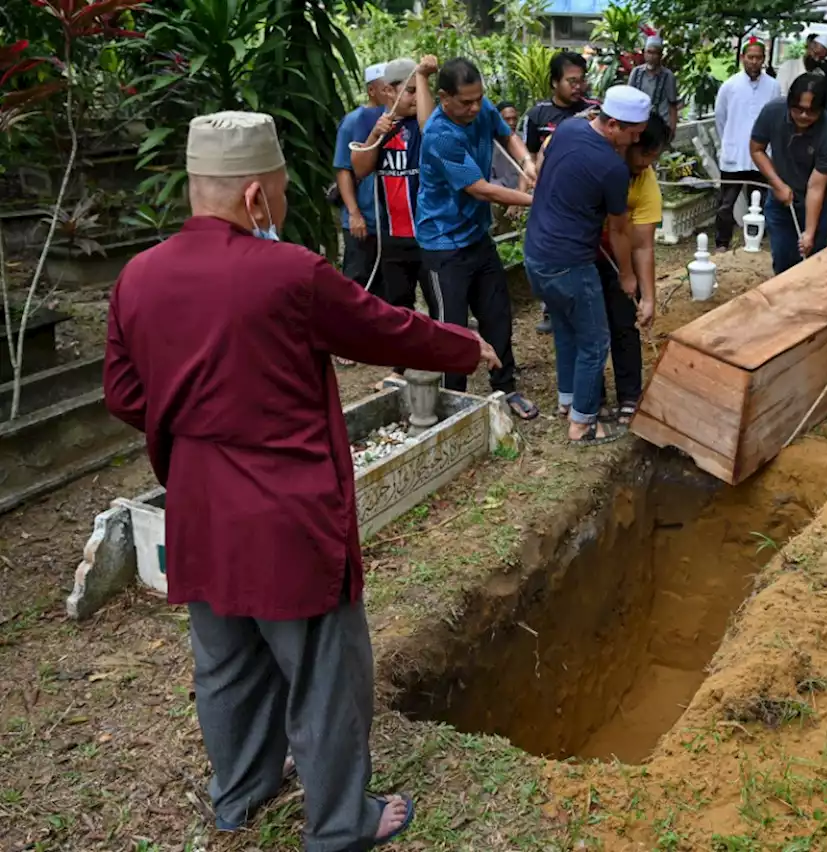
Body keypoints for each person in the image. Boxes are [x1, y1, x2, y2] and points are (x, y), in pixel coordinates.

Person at [102, 111, 500, 849]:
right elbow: (380, 326)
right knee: (323, 668)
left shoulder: (137, 278)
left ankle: (241, 792)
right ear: (257, 197)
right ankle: (342, 821)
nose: (284, 208)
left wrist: (194, 425)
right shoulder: (287, 272)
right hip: (286, 511)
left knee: (225, 662)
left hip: (197, 504)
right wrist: (463, 344)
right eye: (284, 195)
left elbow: (125, 394)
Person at [524, 85, 649, 445]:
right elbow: (620, 229)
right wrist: (627, 276)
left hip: (536, 253)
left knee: (566, 327)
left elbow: (546, 159)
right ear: (611, 124)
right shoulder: (612, 167)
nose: (634, 140)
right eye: (632, 133)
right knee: (595, 341)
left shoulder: (569, 129)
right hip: (569, 263)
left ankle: (568, 400)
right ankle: (582, 424)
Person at [417, 57, 541, 421]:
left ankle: (506, 387)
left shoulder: (480, 106)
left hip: (476, 236)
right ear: (443, 97)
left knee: (496, 314)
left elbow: (506, 133)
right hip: (443, 243)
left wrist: (527, 162)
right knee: (451, 326)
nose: (476, 107)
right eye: (467, 102)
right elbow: (481, 189)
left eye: (479, 99)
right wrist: (539, 198)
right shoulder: (441, 135)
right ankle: (453, 403)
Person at [350, 56, 437, 390]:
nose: (417, 98)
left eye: (421, 91)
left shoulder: (425, 123)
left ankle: (443, 362)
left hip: (429, 235)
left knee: (439, 304)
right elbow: (359, 169)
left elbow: (431, 133)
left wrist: (425, 80)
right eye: (411, 91)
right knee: (400, 305)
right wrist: (376, 133)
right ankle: (401, 368)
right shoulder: (377, 124)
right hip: (393, 235)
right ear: (389, 91)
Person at [597, 113, 668, 424]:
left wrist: (648, 297)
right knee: (591, 328)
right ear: (627, 142)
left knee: (624, 321)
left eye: (655, 156)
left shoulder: (645, 178)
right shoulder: (598, 163)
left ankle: (630, 394)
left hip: (619, 251)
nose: (648, 162)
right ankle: (592, 398)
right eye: (645, 153)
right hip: (584, 250)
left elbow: (642, 243)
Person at [526, 50, 597, 334]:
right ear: (554, 82)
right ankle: (551, 308)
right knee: (549, 251)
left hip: (584, 196)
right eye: (571, 80)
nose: (578, 86)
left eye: (581, 80)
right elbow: (530, 154)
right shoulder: (538, 114)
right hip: (550, 198)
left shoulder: (595, 110)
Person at [750, 73, 827, 275]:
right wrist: (778, 185)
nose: (803, 116)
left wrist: (809, 232)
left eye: (811, 112)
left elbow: (816, 187)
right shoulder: (772, 112)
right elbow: (757, 149)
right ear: (789, 102)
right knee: (783, 258)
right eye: (797, 109)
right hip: (780, 199)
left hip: (815, 202)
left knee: (812, 260)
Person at [712, 39, 779, 251]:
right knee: (726, 205)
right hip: (734, 154)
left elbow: (776, 117)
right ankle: (722, 243)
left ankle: (757, 242)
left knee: (762, 202)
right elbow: (720, 118)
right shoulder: (729, 86)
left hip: (762, 156)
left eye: (758, 58)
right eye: (750, 57)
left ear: (763, 59)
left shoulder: (773, 86)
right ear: (743, 58)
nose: (754, 62)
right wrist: (730, 141)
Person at [333, 62, 385, 292]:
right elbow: (344, 169)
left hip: (388, 224)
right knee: (359, 284)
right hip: (363, 219)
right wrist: (354, 214)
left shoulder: (397, 120)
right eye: (385, 88)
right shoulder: (354, 122)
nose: (390, 92)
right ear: (371, 90)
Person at [628, 35, 680, 130]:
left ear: (660, 56)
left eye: (655, 53)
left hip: (660, 125)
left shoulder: (668, 76)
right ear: (644, 53)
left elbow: (672, 105)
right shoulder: (636, 72)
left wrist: (672, 129)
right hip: (639, 123)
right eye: (649, 52)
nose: (651, 57)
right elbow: (629, 98)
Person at [776, 33, 827, 105]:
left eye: (821, 57)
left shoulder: (821, 73)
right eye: (815, 54)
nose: (817, 59)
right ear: (808, 48)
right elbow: (780, 97)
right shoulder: (788, 67)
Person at [490, 101, 524, 189]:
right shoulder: (488, 144)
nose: (512, 123)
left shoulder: (523, 140)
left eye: (514, 118)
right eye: (507, 119)